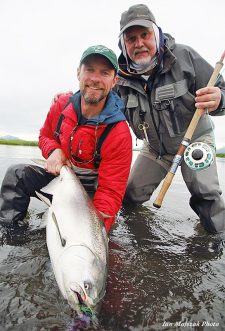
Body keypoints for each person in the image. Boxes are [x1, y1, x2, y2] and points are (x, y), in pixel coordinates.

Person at [0, 45, 132, 235]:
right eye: (89, 70)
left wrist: (95, 232)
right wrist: (53, 150)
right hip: (59, 181)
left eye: (104, 72)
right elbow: (44, 136)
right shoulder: (61, 105)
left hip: (91, 194)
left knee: (94, 235)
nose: (95, 78)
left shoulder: (119, 133)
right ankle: (11, 237)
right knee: (17, 174)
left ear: (114, 81)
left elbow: (110, 193)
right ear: (78, 73)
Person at [116, 4, 225, 234]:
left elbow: (222, 91)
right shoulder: (119, 80)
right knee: (129, 195)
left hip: (195, 140)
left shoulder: (186, 57)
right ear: (123, 45)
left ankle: (216, 242)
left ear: (156, 34)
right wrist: (69, 100)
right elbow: (97, 105)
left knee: (205, 195)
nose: (139, 43)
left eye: (144, 35)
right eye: (131, 38)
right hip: (155, 148)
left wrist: (219, 99)